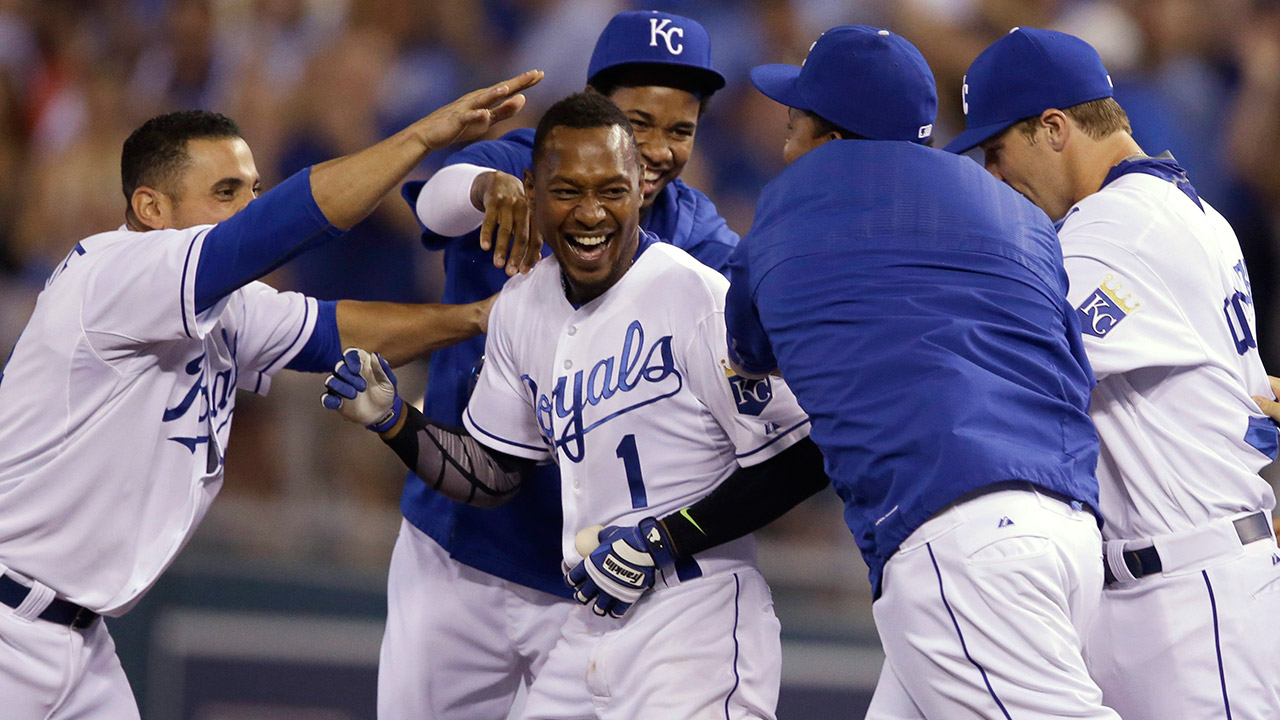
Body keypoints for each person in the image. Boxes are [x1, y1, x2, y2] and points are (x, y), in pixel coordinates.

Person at [0, 70, 542, 720]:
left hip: (78, 641)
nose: (247, 207)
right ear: (151, 209)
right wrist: (421, 137)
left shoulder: (223, 305)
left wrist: (480, 317)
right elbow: (275, 231)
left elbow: (332, 330)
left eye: (252, 190)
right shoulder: (116, 273)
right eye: (224, 192)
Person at [323, 91, 827, 720]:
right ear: (531, 189)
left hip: (694, 617)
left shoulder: (693, 294)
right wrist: (397, 423)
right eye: (568, 192)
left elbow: (803, 456)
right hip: (589, 627)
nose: (592, 213)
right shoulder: (520, 307)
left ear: (640, 187)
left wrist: (664, 540)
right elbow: (496, 474)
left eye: (612, 190)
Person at [720, 26, 1120, 719]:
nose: (786, 146)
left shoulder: (792, 200)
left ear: (832, 138)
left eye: (795, 124)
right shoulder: (1020, 212)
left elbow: (748, 350)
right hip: (1069, 532)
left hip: (960, 540)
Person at [382, 10, 739, 719]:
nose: (660, 150)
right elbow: (446, 199)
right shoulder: (524, 166)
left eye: (681, 129)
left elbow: (758, 314)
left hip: (595, 583)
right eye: (639, 122)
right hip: (458, 554)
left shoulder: (694, 236)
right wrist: (492, 192)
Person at [946, 27, 1280, 720]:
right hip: (1165, 585)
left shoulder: (1116, 226)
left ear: (1055, 128)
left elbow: (1002, 370)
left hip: (1191, 594)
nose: (993, 175)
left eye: (997, 151)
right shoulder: (1184, 208)